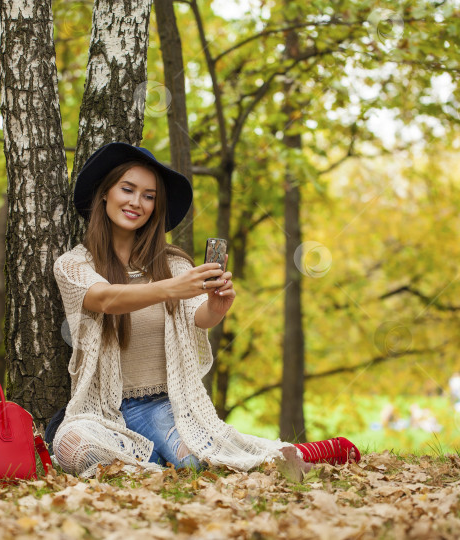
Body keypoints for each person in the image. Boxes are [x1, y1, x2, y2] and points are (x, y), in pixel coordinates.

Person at [51, 142, 360, 478]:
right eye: (128, 189)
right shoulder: (74, 264)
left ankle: (304, 453)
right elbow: (103, 299)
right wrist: (168, 289)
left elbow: (198, 317)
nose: (136, 202)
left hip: (162, 405)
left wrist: (216, 306)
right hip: (102, 413)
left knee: (197, 461)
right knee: (73, 444)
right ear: (104, 194)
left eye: (149, 196)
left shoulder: (173, 264)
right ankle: (153, 465)